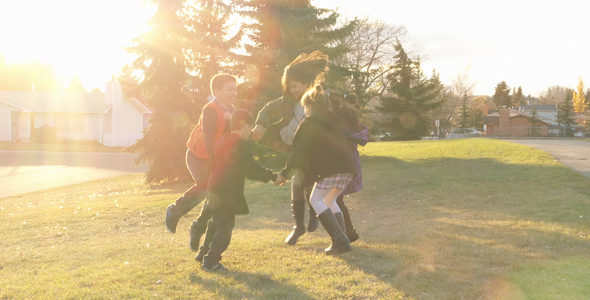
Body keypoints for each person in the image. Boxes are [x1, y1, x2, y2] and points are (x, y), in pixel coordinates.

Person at [251, 51, 329, 245]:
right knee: (297, 184)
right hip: (298, 150)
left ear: (304, 83)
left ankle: (312, 216)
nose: (292, 90)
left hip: (316, 151)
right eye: (289, 87)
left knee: (310, 185)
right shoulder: (288, 101)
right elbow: (268, 108)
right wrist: (260, 125)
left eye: (294, 86)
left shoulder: (319, 98)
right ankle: (298, 226)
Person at [200, 109, 284, 271]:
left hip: (214, 189)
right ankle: (210, 261)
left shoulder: (223, 140)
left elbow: (211, 162)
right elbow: (250, 167)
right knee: (225, 227)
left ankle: (203, 253)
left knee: (215, 223)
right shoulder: (242, 143)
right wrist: (273, 176)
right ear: (245, 126)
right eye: (251, 128)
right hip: (227, 193)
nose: (251, 133)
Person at [278, 85, 356, 255]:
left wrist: (285, 174)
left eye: (306, 107)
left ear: (310, 107)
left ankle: (339, 241)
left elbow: (299, 153)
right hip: (347, 169)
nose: (305, 110)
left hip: (331, 169)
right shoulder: (334, 120)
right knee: (330, 200)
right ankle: (342, 239)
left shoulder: (309, 123)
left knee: (315, 200)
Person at [165, 74, 237, 245]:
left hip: (214, 156)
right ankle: (175, 212)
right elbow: (209, 137)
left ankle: (202, 230)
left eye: (235, 89)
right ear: (217, 92)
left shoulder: (232, 111)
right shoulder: (210, 110)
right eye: (229, 89)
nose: (234, 93)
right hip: (198, 157)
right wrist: (216, 159)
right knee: (206, 186)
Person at [328, 92, 368, 243]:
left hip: (342, 165)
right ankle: (348, 233)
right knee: (335, 199)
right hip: (348, 165)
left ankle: (346, 234)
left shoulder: (338, 121)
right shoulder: (344, 118)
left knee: (333, 199)